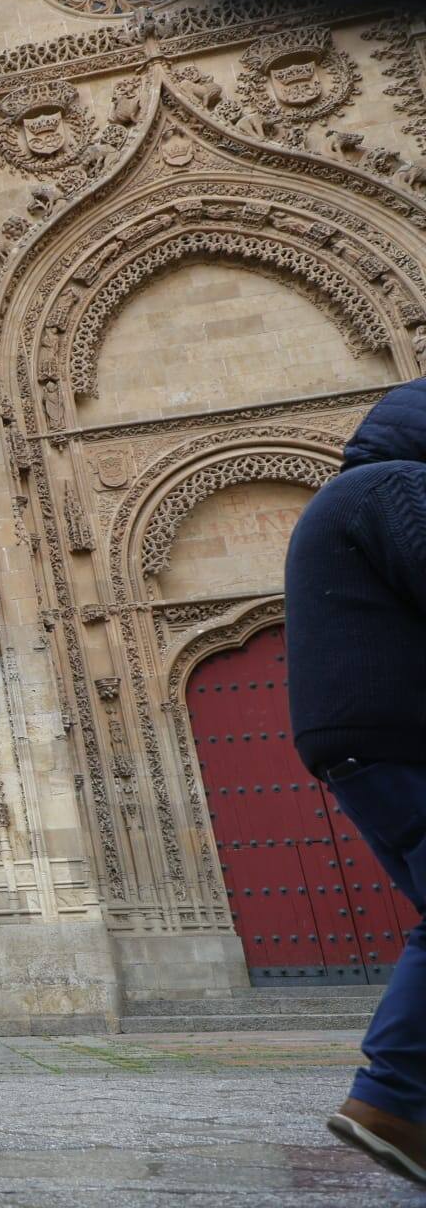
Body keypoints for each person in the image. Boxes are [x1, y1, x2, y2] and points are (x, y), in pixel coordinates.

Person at [286, 377, 426, 1185]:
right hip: (400, 730)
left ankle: (399, 1100)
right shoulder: (398, 489)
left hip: (359, 736)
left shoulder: (349, 494)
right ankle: (391, 1097)